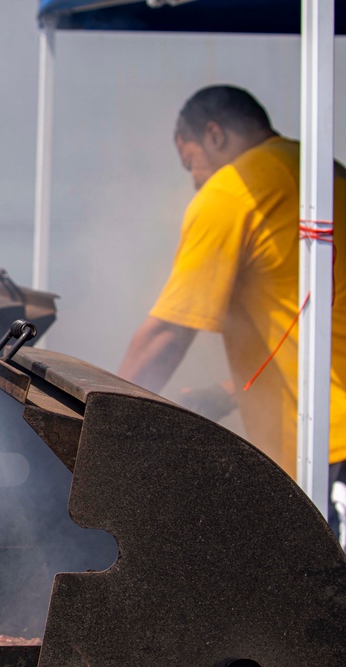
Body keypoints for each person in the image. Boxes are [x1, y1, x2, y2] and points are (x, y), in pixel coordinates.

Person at [117, 84, 346, 542]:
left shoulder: (232, 190)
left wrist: (101, 421)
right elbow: (317, 320)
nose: (195, 180)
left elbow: (168, 334)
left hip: (328, 446)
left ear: (215, 135)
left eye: (191, 163)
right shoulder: (328, 172)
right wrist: (229, 391)